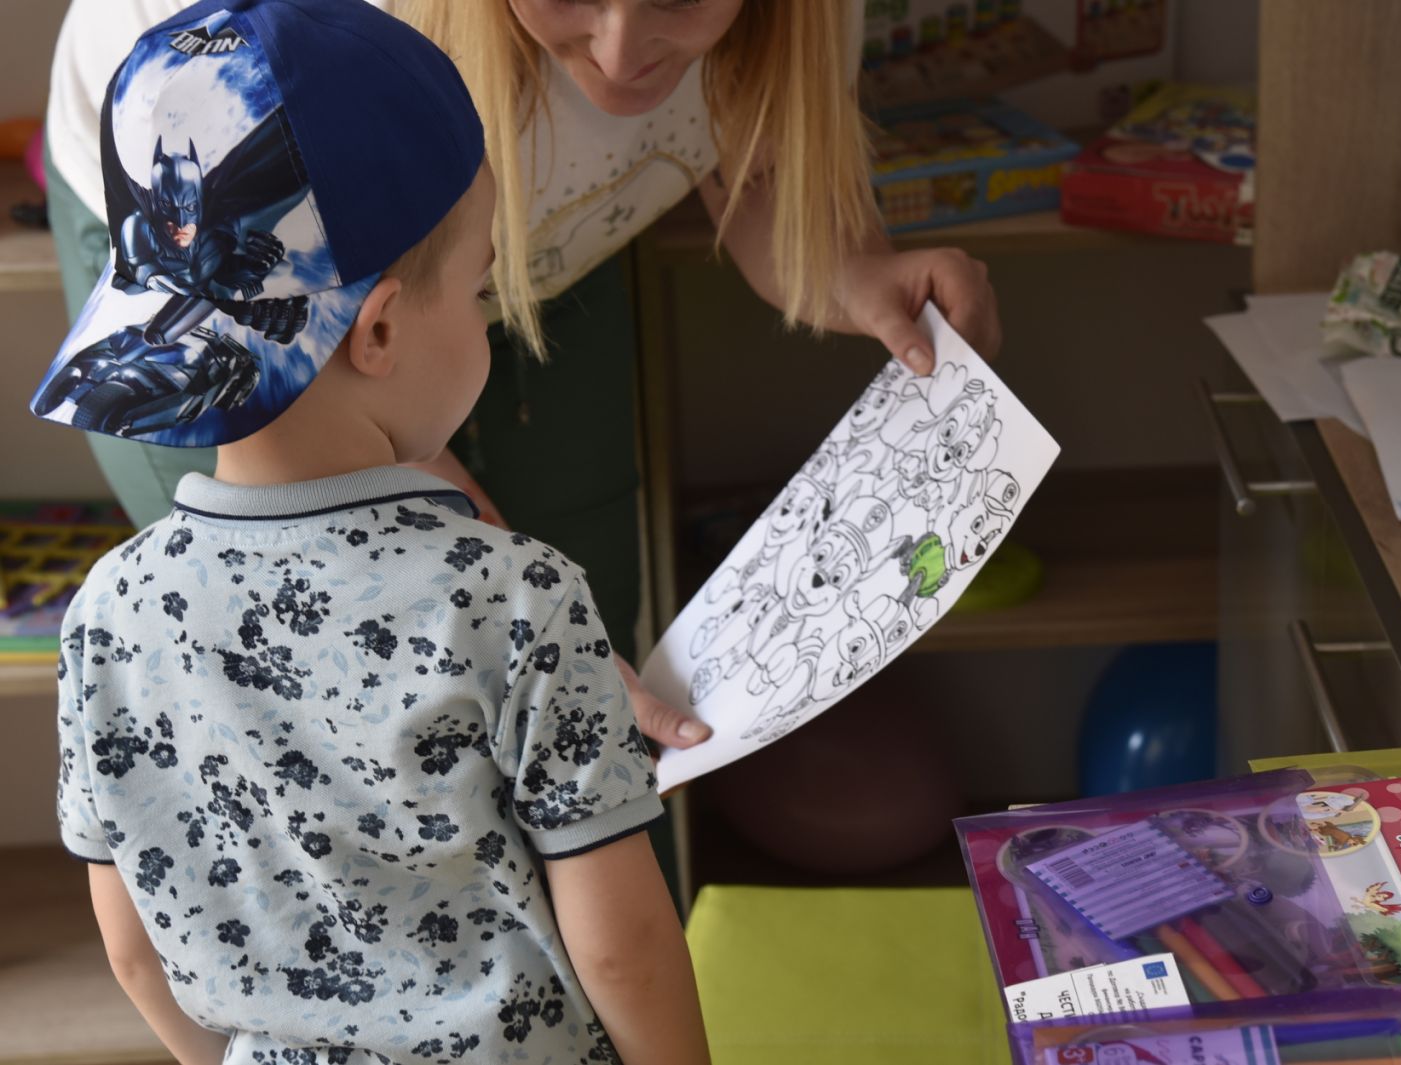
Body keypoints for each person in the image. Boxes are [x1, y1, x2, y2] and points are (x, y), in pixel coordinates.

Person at [46, 0, 1001, 751]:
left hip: (420, 250)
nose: (623, 54)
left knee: (580, 627)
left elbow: (750, 152)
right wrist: (528, 642)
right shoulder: (345, 55)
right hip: (231, 252)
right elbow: (342, 436)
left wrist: (854, 270)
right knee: (344, 671)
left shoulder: (103, 625)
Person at [39, 3, 709, 1063]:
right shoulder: (517, 599)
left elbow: (131, 949)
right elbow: (623, 950)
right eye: (480, 288)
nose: (485, 315)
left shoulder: (106, 614)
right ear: (383, 327)